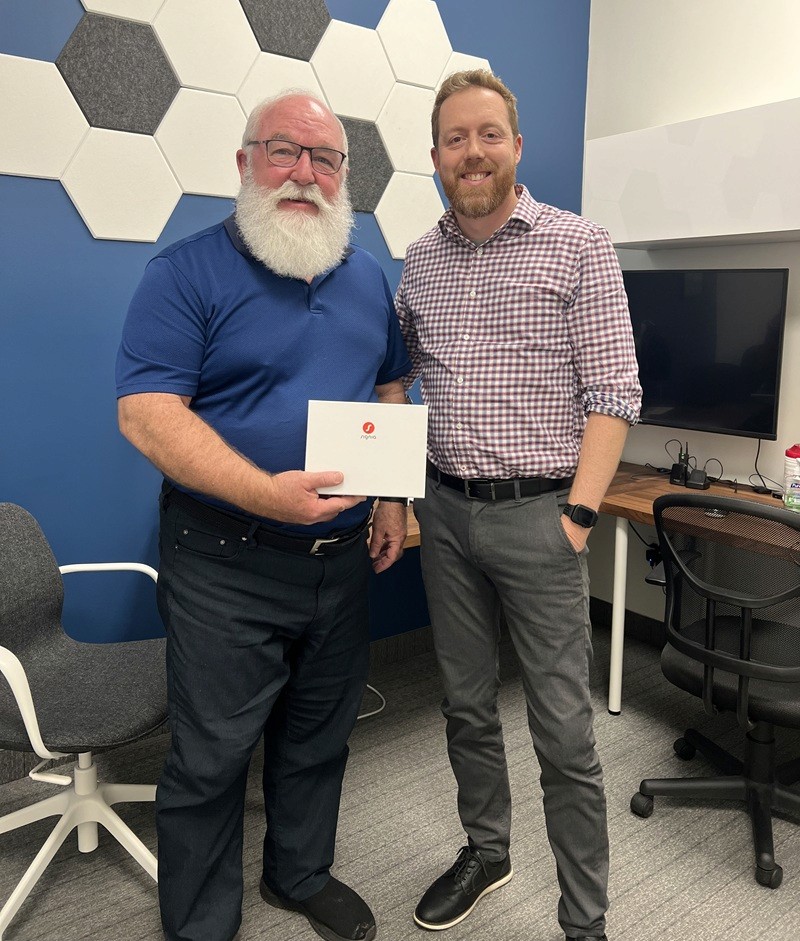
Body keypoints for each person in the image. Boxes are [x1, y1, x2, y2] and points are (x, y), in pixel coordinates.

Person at [115, 90, 411, 941]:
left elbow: (390, 382)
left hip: (343, 556)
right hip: (224, 557)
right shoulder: (184, 272)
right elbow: (146, 414)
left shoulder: (364, 272)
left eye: (325, 159)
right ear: (244, 162)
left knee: (320, 732)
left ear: (344, 177)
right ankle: (203, 924)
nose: (305, 173)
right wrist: (267, 493)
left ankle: (298, 873)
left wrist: (390, 493)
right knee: (210, 758)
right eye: (284, 150)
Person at [395, 70, 642, 941]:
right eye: (456, 139)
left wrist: (577, 515)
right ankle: (487, 850)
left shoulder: (578, 245)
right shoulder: (418, 262)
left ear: (516, 146)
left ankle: (586, 921)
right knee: (464, 704)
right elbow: (399, 382)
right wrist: (397, 496)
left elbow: (616, 393)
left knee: (564, 736)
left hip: (543, 517)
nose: (473, 152)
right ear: (435, 157)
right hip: (449, 516)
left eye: (488, 134)